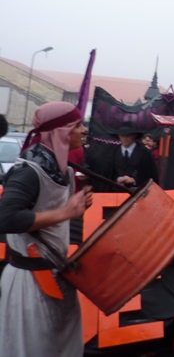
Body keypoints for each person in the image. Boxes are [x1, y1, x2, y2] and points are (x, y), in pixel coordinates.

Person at [0, 102, 93, 357]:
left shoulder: (58, 167)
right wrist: (66, 212)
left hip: (54, 275)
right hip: (29, 284)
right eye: (78, 125)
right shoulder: (29, 171)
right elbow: (5, 217)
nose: (84, 130)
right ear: (61, 132)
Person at [111, 125, 158, 190]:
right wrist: (118, 179)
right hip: (117, 193)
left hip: (138, 192)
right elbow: (109, 173)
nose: (125, 138)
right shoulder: (113, 152)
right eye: (122, 136)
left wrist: (134, 180)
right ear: (118, 136)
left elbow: (150, 175)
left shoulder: (144, 153)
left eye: (128, 136)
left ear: (134, 135)